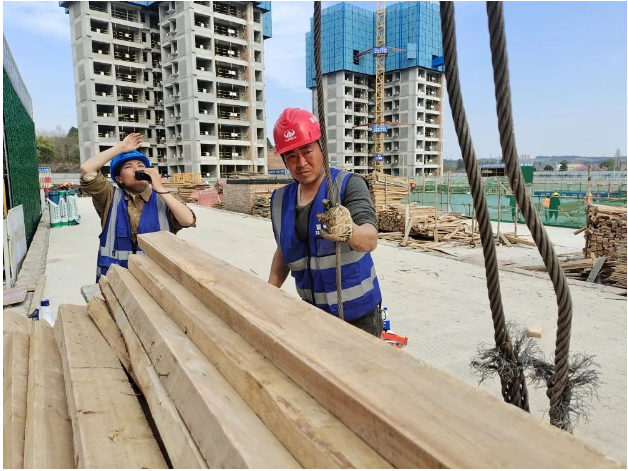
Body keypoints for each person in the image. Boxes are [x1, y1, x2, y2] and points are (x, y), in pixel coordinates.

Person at [268, 108, 383, 337]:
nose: (301, 163)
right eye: (291, 156)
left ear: (322, 148)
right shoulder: (281, 199)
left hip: (358, 316)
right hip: (313, 315)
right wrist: (268, 292)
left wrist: (350, 231)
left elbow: (370, 239)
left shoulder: (348, 185)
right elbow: (284, 249)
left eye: (307, 151)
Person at [80, 133, 196, 281]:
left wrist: (160, 188)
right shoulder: (109, 196)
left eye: (141, 166)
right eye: (128, 167)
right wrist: (121, 147)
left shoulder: (164, 197)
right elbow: (87, 169)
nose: (137, 169)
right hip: (116, 280)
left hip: (156, 280)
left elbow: (187, 220)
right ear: (119, 179)